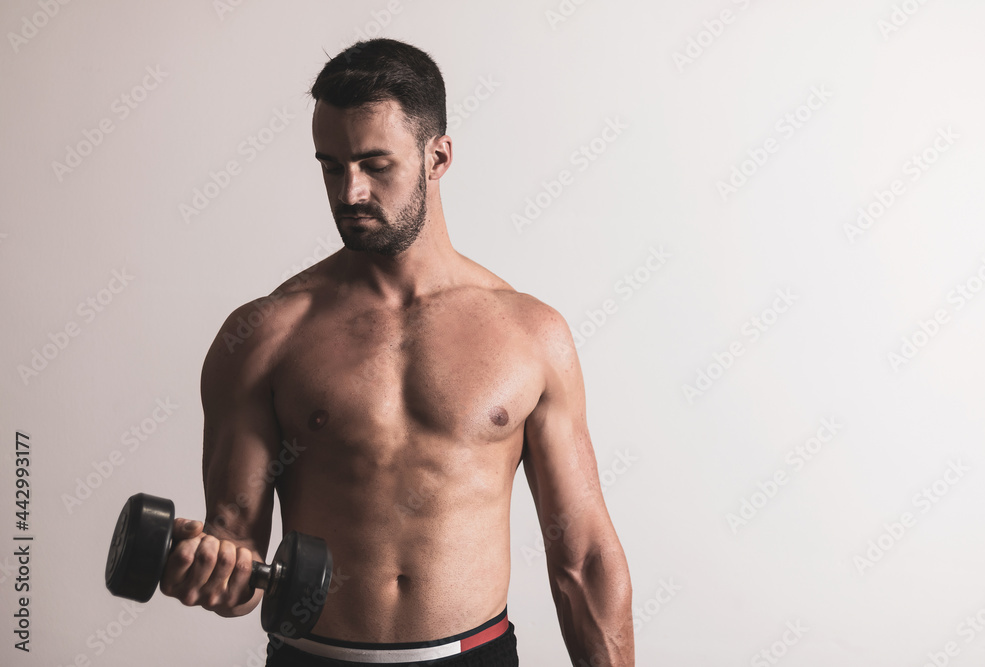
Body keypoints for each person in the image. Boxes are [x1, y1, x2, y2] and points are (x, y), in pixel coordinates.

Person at [158, 38, 634, 666]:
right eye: (331, 165)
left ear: (438, 158)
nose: (349, 192)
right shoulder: (263, 338)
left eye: (375, 164)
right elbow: (239, 557)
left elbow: (584, 558)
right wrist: (207, 568)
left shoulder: (529, 334)